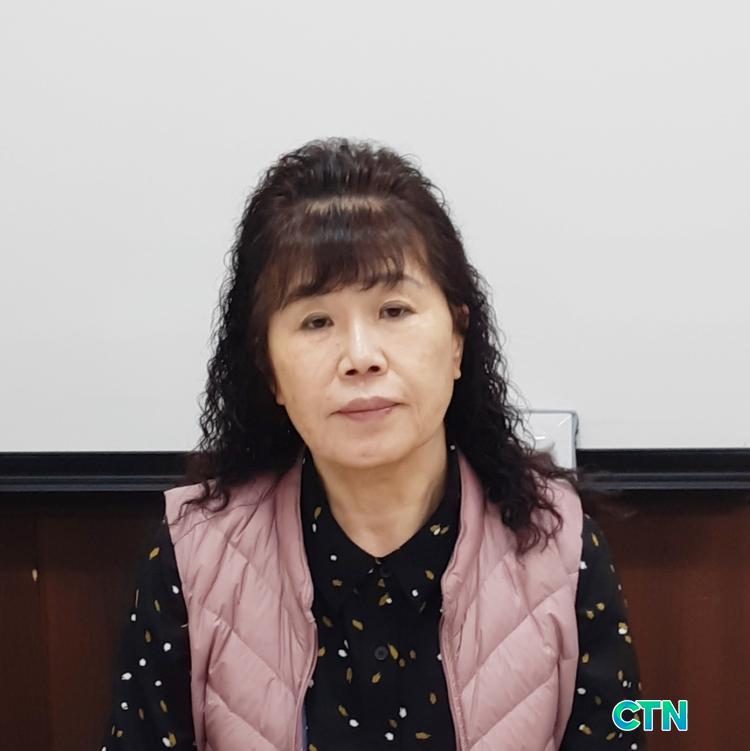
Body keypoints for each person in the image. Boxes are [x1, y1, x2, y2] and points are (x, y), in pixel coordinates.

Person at [99, 137, 645, 750]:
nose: (360, 357)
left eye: (394, 310)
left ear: (457, 338)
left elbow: (634, 722)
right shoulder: (194, 556)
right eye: (317, 321)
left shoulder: (558, 544)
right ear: (268, 367)